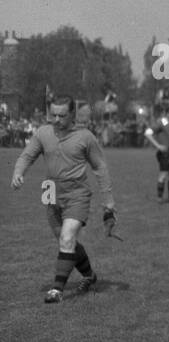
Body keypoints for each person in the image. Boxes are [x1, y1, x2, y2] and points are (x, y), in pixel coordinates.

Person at [9, 95, 118, 303]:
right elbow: (26, 156)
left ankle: (57, 290)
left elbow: (100, 167)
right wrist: (18, 172)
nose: (56, 119)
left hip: (77, 193)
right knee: (65, 241)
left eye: (62, 115)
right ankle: (89, 275)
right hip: (50, 192)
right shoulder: (43, 133)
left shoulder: (85, 137)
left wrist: (109, 199)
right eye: (53, 114)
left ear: (73, 115)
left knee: (67, 237)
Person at [144, 115, 169, 201]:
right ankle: (159, 197)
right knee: (163, 174)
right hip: (165, 151)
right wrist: (158, 146)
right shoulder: (161, 122)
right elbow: (147, 133)